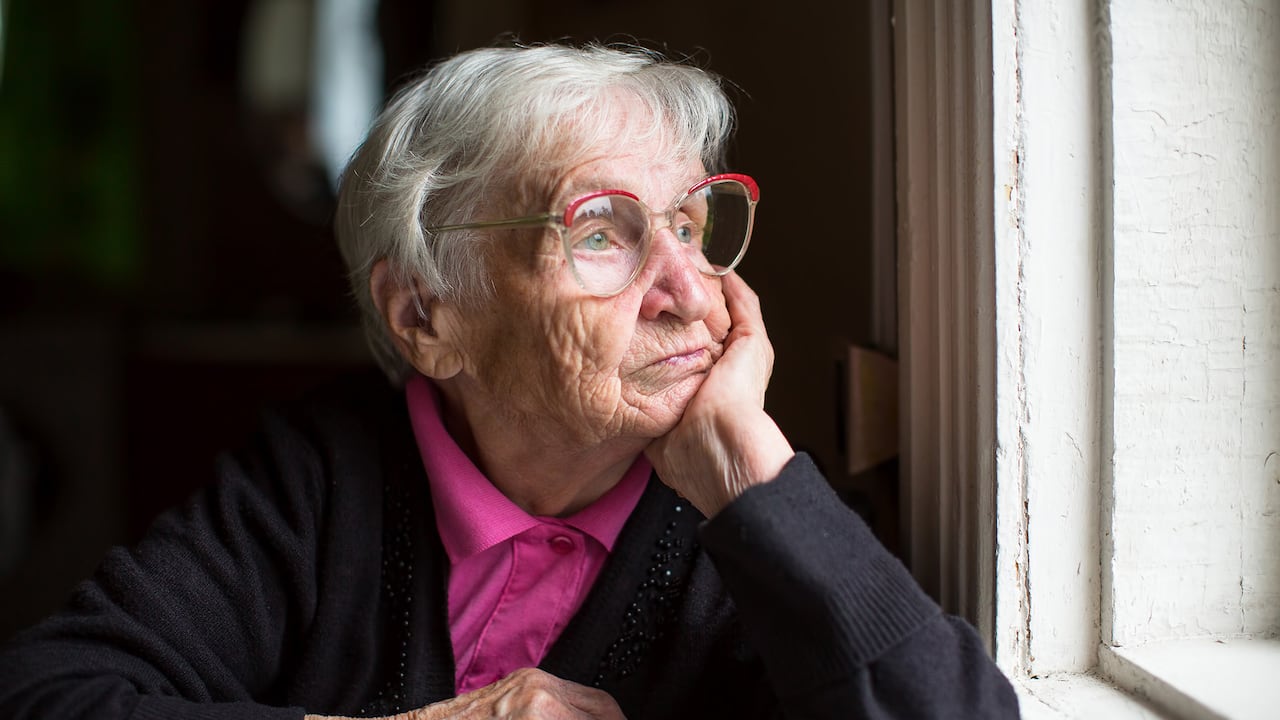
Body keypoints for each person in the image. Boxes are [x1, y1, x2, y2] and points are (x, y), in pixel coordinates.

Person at [0, 43, 1018, 719]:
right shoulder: (319, 479)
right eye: (598, 232)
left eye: (687, 224)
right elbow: (49, 695)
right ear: (424, 315)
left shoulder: (751, 516)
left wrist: (750, 475)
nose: (683, 287)